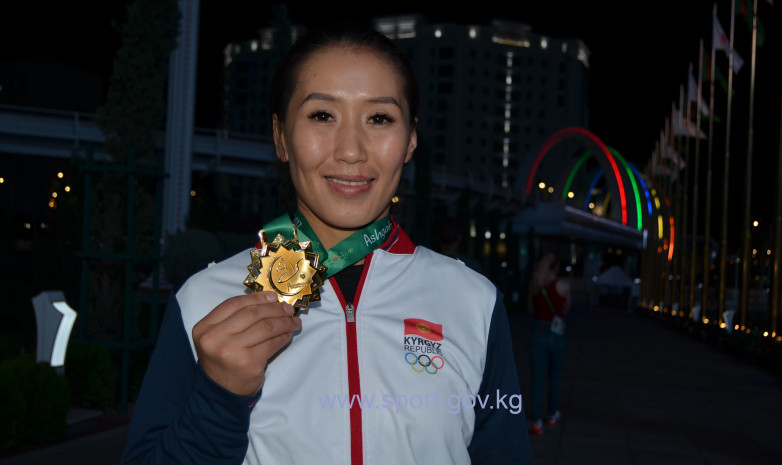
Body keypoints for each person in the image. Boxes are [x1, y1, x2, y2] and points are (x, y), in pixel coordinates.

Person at [121, 22, 533, 464]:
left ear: (411, 140)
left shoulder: (472, 300)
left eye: (379, 118)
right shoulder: (205, 302)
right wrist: (219, 397)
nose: (351, 150)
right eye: (322, 115)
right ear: (281, 136)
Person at [527, 252, 570, 435]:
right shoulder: (564, 286)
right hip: (556, 333)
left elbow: (531, 309)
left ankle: (537, 421)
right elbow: (565, 309)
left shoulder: (534, 286)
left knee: (537, 378)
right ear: (557, 267)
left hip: (538, 331)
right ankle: (551, 414)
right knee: (555, 376)